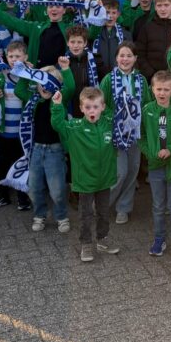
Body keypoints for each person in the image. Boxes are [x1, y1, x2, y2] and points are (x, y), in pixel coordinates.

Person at [50, 86, 120, 263]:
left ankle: (103, 239)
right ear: (81, 108)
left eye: (95, 107)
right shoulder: (75, 127)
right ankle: (86, 243)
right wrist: (57, 105)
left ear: (102, 107)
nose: (92, 111)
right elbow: (58, 124)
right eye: (88, 107)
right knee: (86, 214)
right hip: (85, 181)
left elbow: (124, 117)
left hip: (105, 180)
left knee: (104, 212)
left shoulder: (110, 123)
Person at [16, 61, 75, 233]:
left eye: (49, 83)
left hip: (55, 150)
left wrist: (65, 69)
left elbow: (71, 87)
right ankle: (39, 215)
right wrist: (26, 73)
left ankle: (61, 216)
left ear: (57, 86)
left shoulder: (60, 99)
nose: (45, 87)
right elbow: (19, 90)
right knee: (34, 187)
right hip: (36, 149)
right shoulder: (33, 99)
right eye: (41, 82)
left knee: (57, 189)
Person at [98, 42, 151, 224]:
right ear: (116, 58)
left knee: (132, 170)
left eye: (129, 56)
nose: (125, 59)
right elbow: (101, 104)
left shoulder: (141, 80)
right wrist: (117, 117)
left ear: (135, 58)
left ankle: (123, 208)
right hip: (116, 133)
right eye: (122, 55)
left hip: (135, 133)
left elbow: (147, 104)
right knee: (120, 172)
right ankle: (103, 205)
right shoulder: (108, 79)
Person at [140, 70, 171, 258]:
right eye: (159, 89)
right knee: (158, 207)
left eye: (166, 89)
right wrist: (150, 153)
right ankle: (159, 239)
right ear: (152, 89)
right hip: (155, 166)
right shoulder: (147, 111)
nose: (162, 93)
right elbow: (141, 136)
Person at [0, 41, 32, 211]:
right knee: (4, 163)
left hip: (23, 132)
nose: (13, 59)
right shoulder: (1, 75)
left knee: (22, 163)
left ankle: (22, 197)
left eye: (17, 56)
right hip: (4, 130)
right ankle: (3, 195)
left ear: (25, 57)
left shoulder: (30, 76)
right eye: (10, 56)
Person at [91, 0, 125, 79]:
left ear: (118, 14)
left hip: (118, 76)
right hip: (98, 75)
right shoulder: (95, 31)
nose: (110, 16)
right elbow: (91, 34)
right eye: (107, 12)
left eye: (114, 13)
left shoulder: (125, 34)